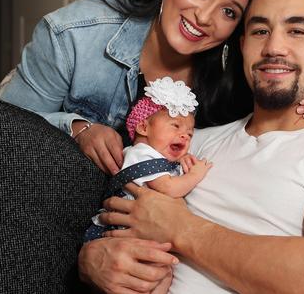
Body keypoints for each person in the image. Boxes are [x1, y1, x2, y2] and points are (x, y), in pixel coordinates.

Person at [79, 0, 304, 294]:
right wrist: (91, 261)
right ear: (243, 46)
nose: (274, 46)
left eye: (297, 31)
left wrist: (180, 227)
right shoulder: (193, 142)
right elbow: (121, 212)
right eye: (261, 30)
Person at [0, 0, 304, 176]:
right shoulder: (73, 34)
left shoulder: (237, 76)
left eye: (229, 12)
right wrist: (76, 128)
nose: (204, 17)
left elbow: (276, 127)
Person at [84, 77, 212, 243]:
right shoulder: (140, 153)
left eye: (190, 134)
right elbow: (167, 188)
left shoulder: (156, 157)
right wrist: (194, 175)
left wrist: (181, 160)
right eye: (175, 126)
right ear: (143, 127)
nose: (184, 136)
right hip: (122, 229)